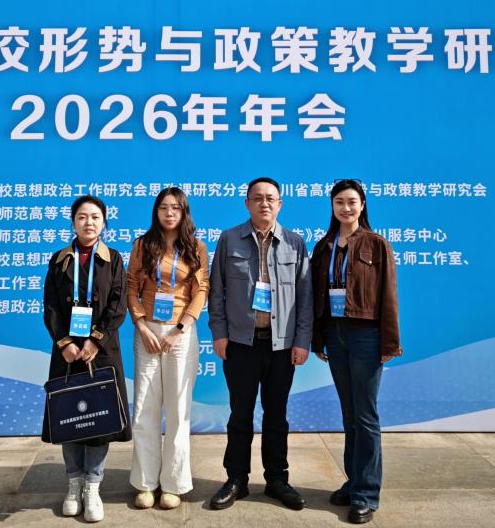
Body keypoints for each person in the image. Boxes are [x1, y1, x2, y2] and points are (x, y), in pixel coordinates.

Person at [207, 176, 313, 511]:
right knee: (240, 414)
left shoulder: (295, 243)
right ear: (247, 203)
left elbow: (305, 297)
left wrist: (302, 340)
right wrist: (219, 333)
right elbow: (216, 291)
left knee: (276, 415)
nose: (264, 203)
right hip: (241, 344)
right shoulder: (229, 239)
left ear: (280, 204)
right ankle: (236, 479)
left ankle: (277, 479)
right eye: (257, 198)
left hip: (281, 347)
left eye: (270, 198)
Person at [310, 179, 402, 524]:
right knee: (349, 414)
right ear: (332, 207)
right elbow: (315, 296)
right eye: (339, 202)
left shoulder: (376, 244)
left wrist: (389, 341)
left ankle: (366, 494)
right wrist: (318, 339)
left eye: (351, 202)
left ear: (362, 205)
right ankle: (353, 482)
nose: (345, 208)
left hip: (366, 335)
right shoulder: (324, 246)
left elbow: (389, 295)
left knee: (365, 415)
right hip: (335, 334)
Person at [41, 195, 131, 523]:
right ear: (73, 222)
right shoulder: (59, 259)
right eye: (82, 216)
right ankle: (73, 483)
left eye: (95, 217)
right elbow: (51, 305)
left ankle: (93, 486)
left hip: (101, 351)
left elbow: (118, 304)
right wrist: (64, 342)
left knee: (99, 421)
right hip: (67, 352)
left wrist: (96, 339)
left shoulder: (113, 259)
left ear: (104, 222)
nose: (88, 222)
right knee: (70, 418)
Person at [127, 187, 209, 509]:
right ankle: (145, 483)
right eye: (163, 207)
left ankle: (174, 483)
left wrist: (180, 329)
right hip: (147, 331)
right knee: (144, 408)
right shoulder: (142, 245)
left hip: (181, 333)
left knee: (178, 409)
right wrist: (141, 325)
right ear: (156, 211)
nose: (169, 213)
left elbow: (201, 291)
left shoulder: (197, 248)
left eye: (176, 207)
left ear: (184, 212)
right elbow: (131, 287)